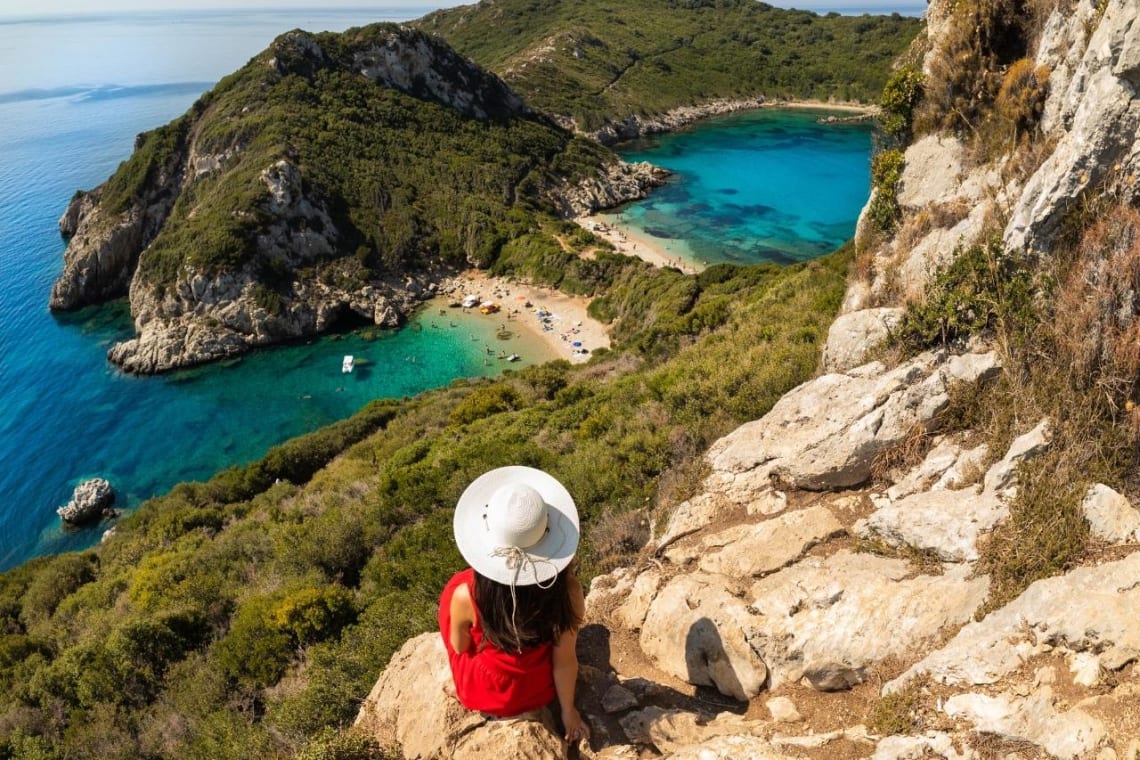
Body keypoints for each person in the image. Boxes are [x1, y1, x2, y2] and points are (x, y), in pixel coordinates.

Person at [439, 466, 590, 745]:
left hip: (483, 691)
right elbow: (565, 659)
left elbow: (460, 648)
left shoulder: (465, 594)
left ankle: (458, 686)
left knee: (453, 592)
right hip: (537, 690)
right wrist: (568, 711)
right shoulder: (568, 591)